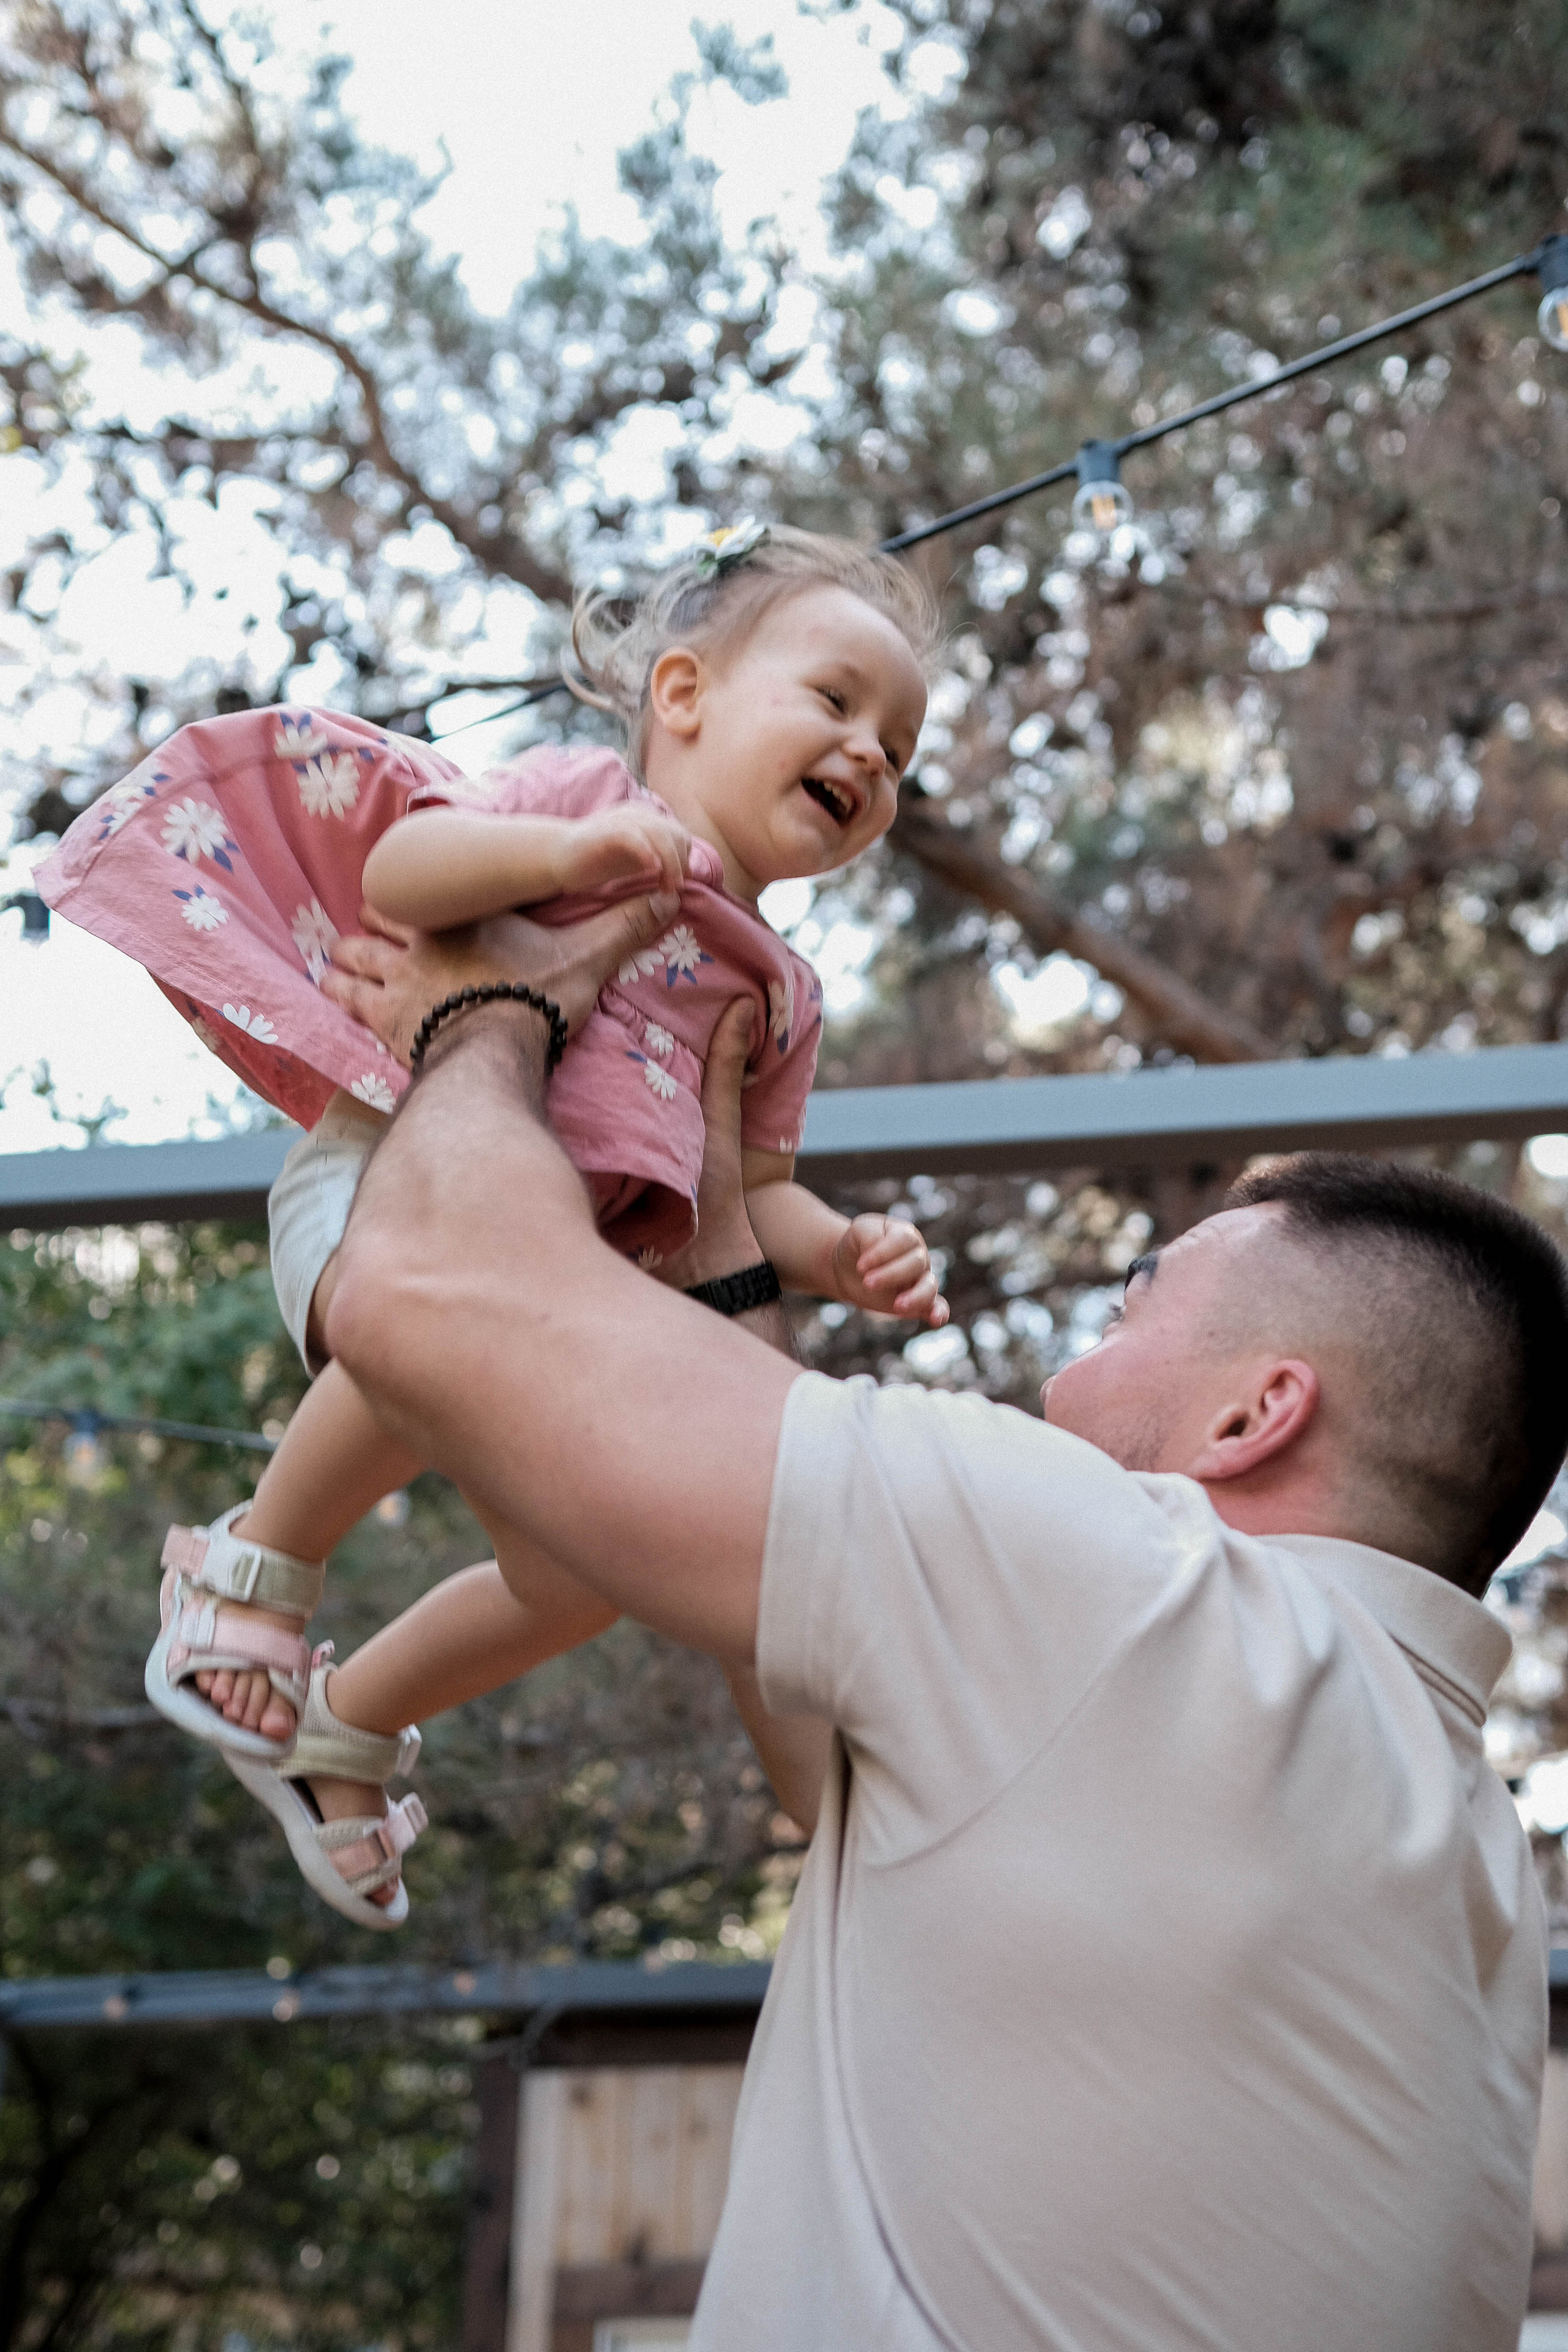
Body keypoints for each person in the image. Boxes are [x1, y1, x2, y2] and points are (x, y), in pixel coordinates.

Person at [312, 892, 1567, 2352]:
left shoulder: (1139, 1596)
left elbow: (421, 1292)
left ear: (1252, 1414)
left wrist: (490, 1012)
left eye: (1124, 1317)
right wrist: (721, 1231)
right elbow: (824, 1770)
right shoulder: (1464, 1864)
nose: (1056, 1386)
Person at [34, 522, 947, 1925]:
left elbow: (749, 1192)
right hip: (392, 1204)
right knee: (445, 1336)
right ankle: (249, 1567)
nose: (872, 754)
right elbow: (402, 880)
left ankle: (346, 1722)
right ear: (683, 696)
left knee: (582, 1573)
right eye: (836, 702)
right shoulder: (577, 803)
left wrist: (838, 1251)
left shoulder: (781, 991)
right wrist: (567, 847)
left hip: (562, 1315)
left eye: (898, 743)